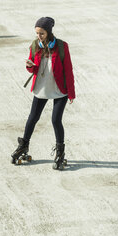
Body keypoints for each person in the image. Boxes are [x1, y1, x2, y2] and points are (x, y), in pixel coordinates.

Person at [11, 17, 76, 170]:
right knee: (32, 118)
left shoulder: (61, 46)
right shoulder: (35, 46)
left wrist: (71, 93)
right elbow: (33, 68)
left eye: (41, 33)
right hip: (41, 88)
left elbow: (68, 69)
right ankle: (23, 146)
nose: (38, 36)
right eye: (37, 33)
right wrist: (29, 66)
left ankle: (60, 152)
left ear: (48, 32)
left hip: (60, 89)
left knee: (55, 120)